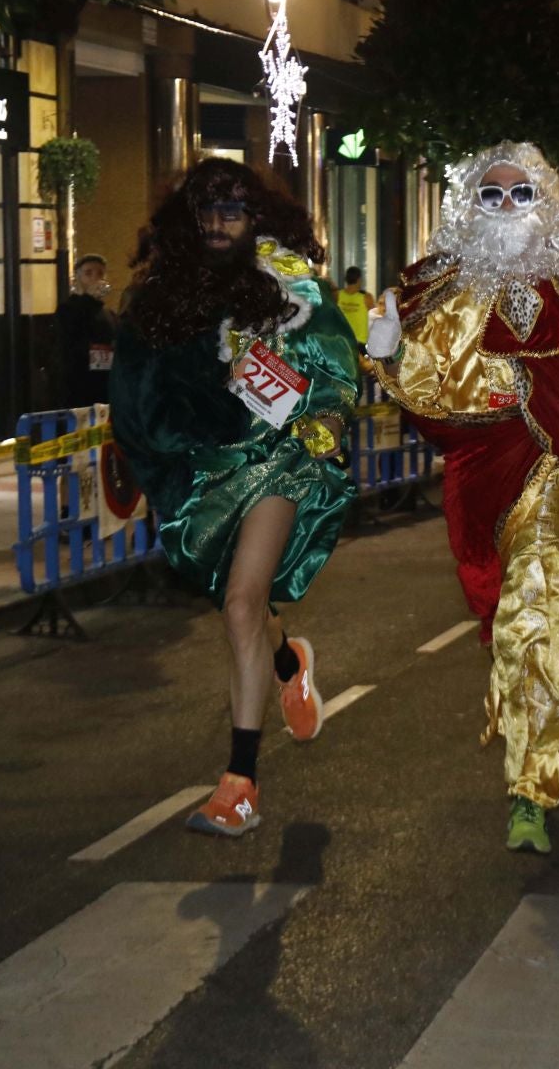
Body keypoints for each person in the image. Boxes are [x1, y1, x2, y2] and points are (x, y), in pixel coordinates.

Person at [366, 142, 559, 855]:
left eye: (522, 194)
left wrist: (541, 390)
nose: (508, 207)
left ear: (545, 202)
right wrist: (389, 353)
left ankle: (529, 787)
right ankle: (530, 754)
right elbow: (425, 396)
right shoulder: (439, 285)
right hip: (477, 475)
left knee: (537, 619)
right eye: (492, 195)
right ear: (468, 207)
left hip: (555, 466)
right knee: (503, 617)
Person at [110, 159, 358, 838]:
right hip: (203, 474)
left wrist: (328, 420)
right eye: (206, 212)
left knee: (243, 602)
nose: (218, 224)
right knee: (235, 604)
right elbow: (138, 392)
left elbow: (336, 371)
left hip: (278, 461)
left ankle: (240, 784)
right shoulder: (161, 296)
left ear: (259, 219)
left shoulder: (291, 287)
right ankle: (288, 661)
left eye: (232, 211)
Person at [56, 253, 117, 408]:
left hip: (104, 381)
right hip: (79, 383)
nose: (94, 278)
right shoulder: (68, 308)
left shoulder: (108, 314)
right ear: (78, 277)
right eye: (88, 273)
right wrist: (89, 298)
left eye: (100, 273)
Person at [335, 265, 371, 349]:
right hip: (360, 343)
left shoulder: (337, 296)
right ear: (359, 279)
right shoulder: (366, 297)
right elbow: (376, 317)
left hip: (341, 342)